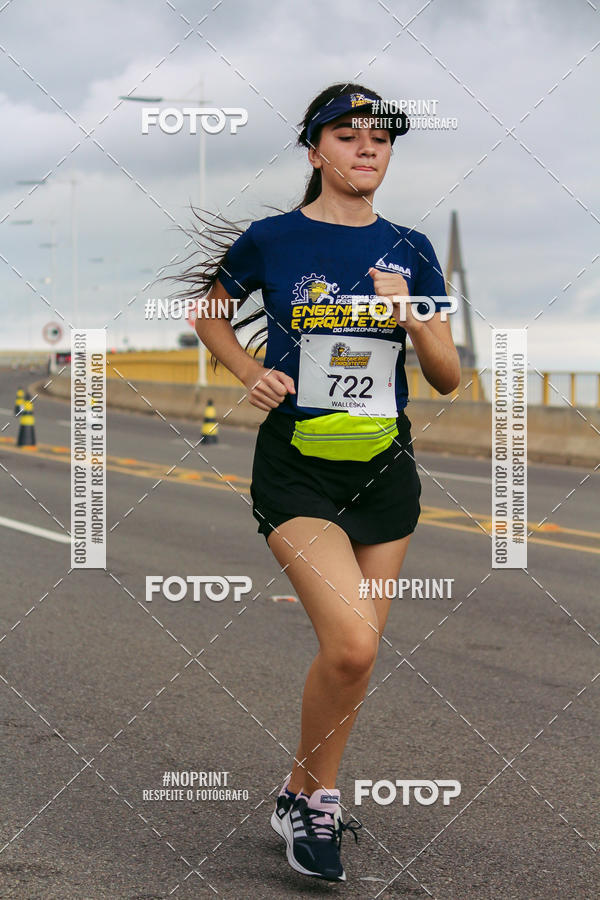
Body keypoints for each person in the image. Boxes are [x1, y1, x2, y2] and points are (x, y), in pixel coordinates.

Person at [192, 82, 461, 883]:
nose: (367, 149)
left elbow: (447, 376)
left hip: (385, 474)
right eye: (347, 137)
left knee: (355, 659)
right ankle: (320, 804)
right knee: (350, 641)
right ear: (315, 151)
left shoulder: (410, 247)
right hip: (297, 468)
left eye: (379, 139)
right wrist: (246, 369)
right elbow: (209, 306)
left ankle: (296, 793)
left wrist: (415, 317)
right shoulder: (272, 238)